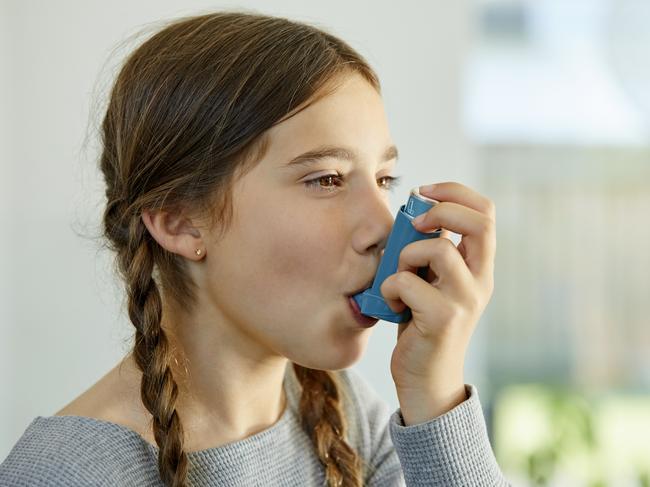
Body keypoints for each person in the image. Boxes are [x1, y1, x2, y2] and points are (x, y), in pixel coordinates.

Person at [0, 10, 508, 487]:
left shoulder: (346, 415)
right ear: (180, 221)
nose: (382, 225)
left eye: (383, 179)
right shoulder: (68, 473)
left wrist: (435, 397)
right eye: (327, 178)